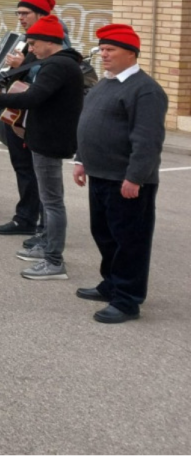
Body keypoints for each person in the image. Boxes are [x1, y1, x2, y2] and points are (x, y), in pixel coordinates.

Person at [0, 15, 84, 280]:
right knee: (49, 200)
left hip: (49, 140)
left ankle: (54, 261)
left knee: (52, 202)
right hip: (45, 137)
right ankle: (47, 244)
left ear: (49, 41)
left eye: (34, 43)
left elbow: (32, 97)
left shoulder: (57, 66)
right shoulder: (57, 63)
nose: (31, 49)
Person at [73, 23, 167, 323]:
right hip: (100, 174)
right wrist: (80, 159)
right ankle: (111, 284)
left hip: (126, 180)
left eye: (110, 50)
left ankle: (127, 300)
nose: (104, 55)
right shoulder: (106, 83)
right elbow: (89, 124)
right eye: (101, 50)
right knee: (105, 235)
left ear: (131, 52)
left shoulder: (146, 90)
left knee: (130, 241)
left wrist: (135, 177)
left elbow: (147, 140)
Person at [0, 0, 57, 237]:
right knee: (23, 167)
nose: (20, 18)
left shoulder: (52, 38)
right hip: (20, 113)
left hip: (34, 116)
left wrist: (21, 67)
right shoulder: (29, 39)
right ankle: (29, 217)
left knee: (31, 169)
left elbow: (50, 75)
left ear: (41, 14)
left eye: (25, 13)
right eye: (18, 13)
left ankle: (35, 222)